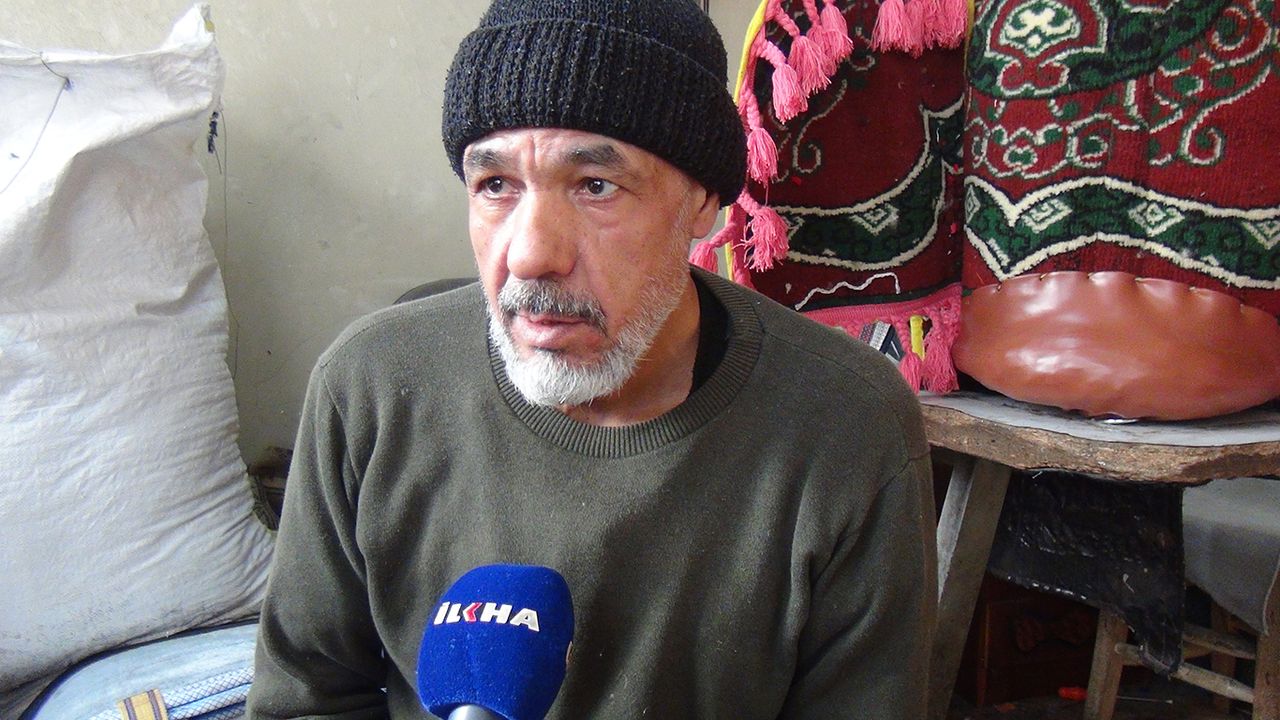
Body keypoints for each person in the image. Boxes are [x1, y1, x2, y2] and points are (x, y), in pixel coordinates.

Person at [247, 0, 937, 717]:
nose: (531, 254)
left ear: (703, 203)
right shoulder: (369, 388)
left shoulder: (845, 425)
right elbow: (307, 701)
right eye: (495, 186)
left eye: (596, 186)